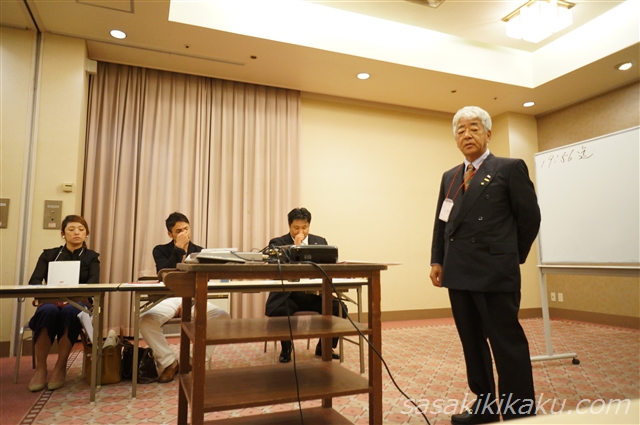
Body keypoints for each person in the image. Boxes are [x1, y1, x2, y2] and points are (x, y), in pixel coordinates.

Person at [430, 106, 541, 424]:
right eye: (460, 129)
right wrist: (437, 259)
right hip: (457, 273)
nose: (466, 134)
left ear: (488, 133)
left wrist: (510, 256)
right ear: (455, 138)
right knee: (472, 344)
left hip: (495, 274)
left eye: (474, 128)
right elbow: (442, 222)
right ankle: (485, 406)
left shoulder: (509, 168)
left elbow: (530, 218)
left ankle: (520, 412)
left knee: (507, 344)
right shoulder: (451, 177)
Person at [139, 212, 230, 383]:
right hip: (168, 298)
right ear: (170, 234)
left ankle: (193, 361)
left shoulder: (200, 251)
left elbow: (204, 279)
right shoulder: (160, 250)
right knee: (145, 320)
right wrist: (178, 249)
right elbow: (165, 273)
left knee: (222, 316)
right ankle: (168, 362)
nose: (184, 233)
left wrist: (190, 300)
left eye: (186, 229)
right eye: (179, 231)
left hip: (193, 298)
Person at [27, 215, 100, 392]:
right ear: (62, 233)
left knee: (70, 311)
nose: (76, 233)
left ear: (86, 234)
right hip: (51, 300)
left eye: (81, 230)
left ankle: (60, 367)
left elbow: (93, 283)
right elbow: (35, 280)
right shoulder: (49, 255)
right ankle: (41, 369)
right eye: (71, 229)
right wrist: (49, 293)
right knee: (48, 311)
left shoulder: (91, 257)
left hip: (78, 302)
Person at [265, 207, 346, 363]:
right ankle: (286, 348)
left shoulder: (320, 242)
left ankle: (324, 347)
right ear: (289, 226)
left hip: (313, 294)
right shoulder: (277, 243)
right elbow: (275, 267)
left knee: (339, 308)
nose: (300, 231)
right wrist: (295, 248)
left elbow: (327, 265)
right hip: (288, 295)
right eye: (296, 228)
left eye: (305, 227)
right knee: (280, 311)